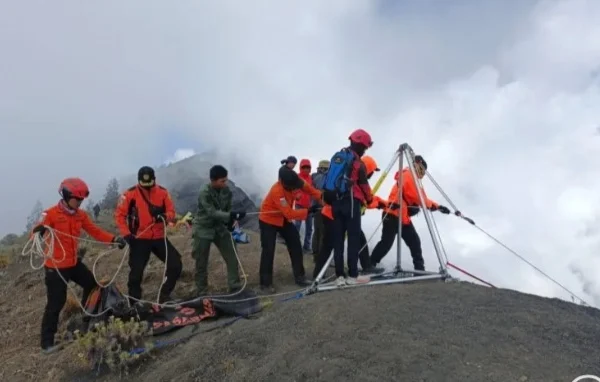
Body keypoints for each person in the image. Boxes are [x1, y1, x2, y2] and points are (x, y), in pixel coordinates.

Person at [32, 178, 125, 353]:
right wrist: (39, 232)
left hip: (73, 264)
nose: (80, 202)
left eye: (82, 200)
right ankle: (47, 343)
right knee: (56, 302)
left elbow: (95, 231)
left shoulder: (81, 215)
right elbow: (35, 233)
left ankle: (86, 318)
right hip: (55, 267)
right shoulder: (50, 214)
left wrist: (114, 239)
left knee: (91, 285)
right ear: (66, 196)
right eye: (77, 199)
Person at [312, 155, 390, 283]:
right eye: (371, 171)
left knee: (357, 238)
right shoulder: (357, 182)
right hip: (333, 216)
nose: (371, 175)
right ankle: (321, 275)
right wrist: (382, 204)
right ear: (367, 169)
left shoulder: (349, 178)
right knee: (330, 245)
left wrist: (381, 203)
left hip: (332, 214)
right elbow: (366, 200)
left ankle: (365, 266)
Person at [369, 155, 450, 272]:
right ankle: (370, 264)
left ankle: (419, 269)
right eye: (422, 171)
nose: (422, 175)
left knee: (414, 242)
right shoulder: (409, 176)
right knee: (386, 243)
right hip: (392, 214)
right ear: (418, 166)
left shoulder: (412, 178)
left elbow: (422, 198)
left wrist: (438, 206)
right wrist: (433, 206)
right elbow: (419, 198)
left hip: (403, 217)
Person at [115, 166, 182, 304]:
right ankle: (134, 302)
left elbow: (171, 212)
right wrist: (127, 234)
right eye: (143, 184)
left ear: (154, 180)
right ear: (138, 181)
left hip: (158, 237)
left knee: (175, 264)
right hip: (139, 239)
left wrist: (165, 216)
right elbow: (119, 216)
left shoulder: (163, 193)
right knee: (136, 274)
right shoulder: (129, 194)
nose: (146, 187)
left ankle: (165, 295)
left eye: (149, 184)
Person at [321, 129, 374, 286]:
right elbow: (364, 184)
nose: (365, 150)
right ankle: (352, 276)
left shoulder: (338, 157)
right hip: (351, 203)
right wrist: (369, 199)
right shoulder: (358, 162)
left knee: (338, 240)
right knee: (353, 239)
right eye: (365, 147)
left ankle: (339, 277)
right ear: (361, 145)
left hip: (335, 202)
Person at [258, 166, 322, 292]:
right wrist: (308, 211)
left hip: (283, 220)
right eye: (292, 186)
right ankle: (265, 284)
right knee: (268, 250)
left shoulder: (295, 180)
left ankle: (300, 276)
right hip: (268, 220)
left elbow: (310, 190)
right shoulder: (277, 191)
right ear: (283, 181)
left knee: (295, 243)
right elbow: (289, 213)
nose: (295, 188)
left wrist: (323, 198)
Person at [192, 165, 246, 294]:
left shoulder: (227, 191)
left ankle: (234, 286)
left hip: (220, 228)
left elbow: (227, 208)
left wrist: (232, 220)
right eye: (222, 181)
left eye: (225, 180)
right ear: (213, 180)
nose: (225, 183)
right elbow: (211, 212)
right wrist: (230, 215)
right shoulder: (204, 192)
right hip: (203, 228)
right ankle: (202, 291)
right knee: (201, 261)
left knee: (232, 255)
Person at [294, 159, 315, 253]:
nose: (306, 169)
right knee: (297, 225)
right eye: (304, 167)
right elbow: (293, 189)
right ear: (301, 168)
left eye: (308, 167)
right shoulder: (297, 177)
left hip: (309, 207)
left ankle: (306, 246)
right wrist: (296, 195)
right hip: (299, 205)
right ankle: (294, 244)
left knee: (309, 227)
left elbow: (313, 191)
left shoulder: (311, 178)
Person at [310, 160, 329, 258]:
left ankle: (315, 253)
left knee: (316, 231)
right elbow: (323, 192)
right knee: (323, 232)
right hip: (323, 207)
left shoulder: (314, 177)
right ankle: (321, 255)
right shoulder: (323, 178)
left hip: (315, 208)